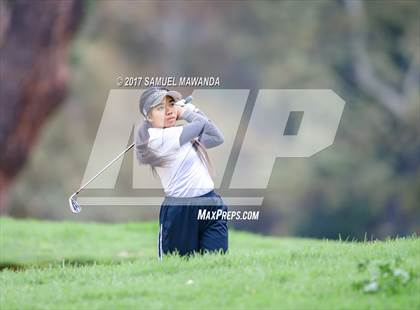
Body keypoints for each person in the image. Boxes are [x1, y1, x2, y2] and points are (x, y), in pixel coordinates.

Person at [134, 86, 228, 260]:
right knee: (178, 269)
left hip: (210, 203)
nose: (169, 111)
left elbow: (216, 137)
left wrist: (191, 110)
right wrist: (186, 111)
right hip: (180, 212)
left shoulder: (181, 135)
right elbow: (200, 125)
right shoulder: (157, 139)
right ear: (148, 116)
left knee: (216, 264)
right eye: (160, 108)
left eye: (171, 104)